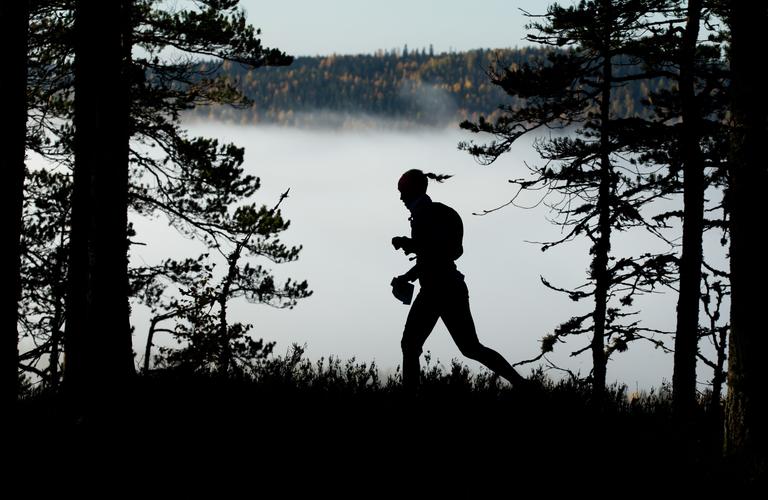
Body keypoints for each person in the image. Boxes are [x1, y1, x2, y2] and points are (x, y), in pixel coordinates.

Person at [391, 169, 527, 392]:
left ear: (413, 191)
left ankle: (410, 398)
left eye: (403, 192)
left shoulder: (424, 215)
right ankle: (521, 384)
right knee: (470, 347)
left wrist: (409, 244)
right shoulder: (434, 212)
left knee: (411, 344)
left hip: (437, 289)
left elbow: (434, 254)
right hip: (451, 287)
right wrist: (408, 274)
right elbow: (440, 256)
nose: (401, 198)